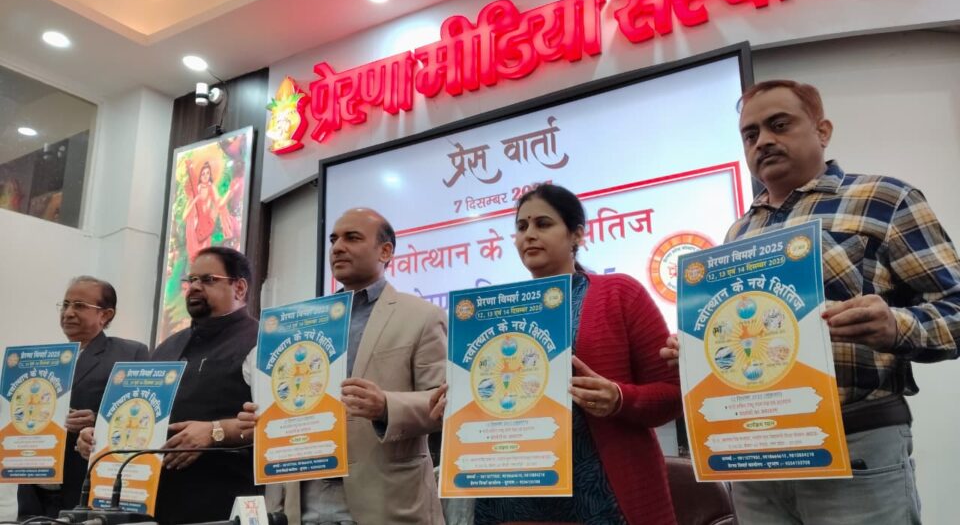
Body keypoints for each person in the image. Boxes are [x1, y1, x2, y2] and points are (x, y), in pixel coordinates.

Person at [662, 80, 960, 524]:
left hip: (854, 445)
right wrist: (696, 351)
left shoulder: (884, 199)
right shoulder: (738, 233)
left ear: (823, 131)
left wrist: (896, 326)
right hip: (754, 454)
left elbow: (955, 309)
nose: (763, 141)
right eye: (750, 134)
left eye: (779, 125)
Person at [431, 184, 683, 525]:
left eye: (543, 224)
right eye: (521, 227)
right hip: (508, 502)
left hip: (603, 499)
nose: (529, 235)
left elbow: (672, 395)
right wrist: (460, 406)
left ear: (576, 234)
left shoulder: (619, 293)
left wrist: (620, 398)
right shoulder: (492, 314)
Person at [238, 208, 447, 524]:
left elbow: (443, 403)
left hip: (386, 501)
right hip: (303, 499)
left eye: (352, 238)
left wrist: (386, 406)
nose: (337, 247)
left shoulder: (422, 316)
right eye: (334, 239)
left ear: (385, 251)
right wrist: (264, 417)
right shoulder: (300, 323)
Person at [78, 247, 259, 524]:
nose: (194, 287)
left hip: (222, 502)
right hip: (152, 504)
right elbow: (140, 411)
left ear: (240, 288)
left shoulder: (259, 341)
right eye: (191, 280)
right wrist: (99, 436)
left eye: (208, 280)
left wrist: (214, 431)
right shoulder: (168, 346)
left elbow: (274, 423)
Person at [18, 276, 149, 518]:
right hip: (34, 490)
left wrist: (96, 421)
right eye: (65, 304)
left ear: (105, 315)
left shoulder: (129, 354)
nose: (68, 313)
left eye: (79, 306)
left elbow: (141, 413)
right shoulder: (45, 362)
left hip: (86, 488)